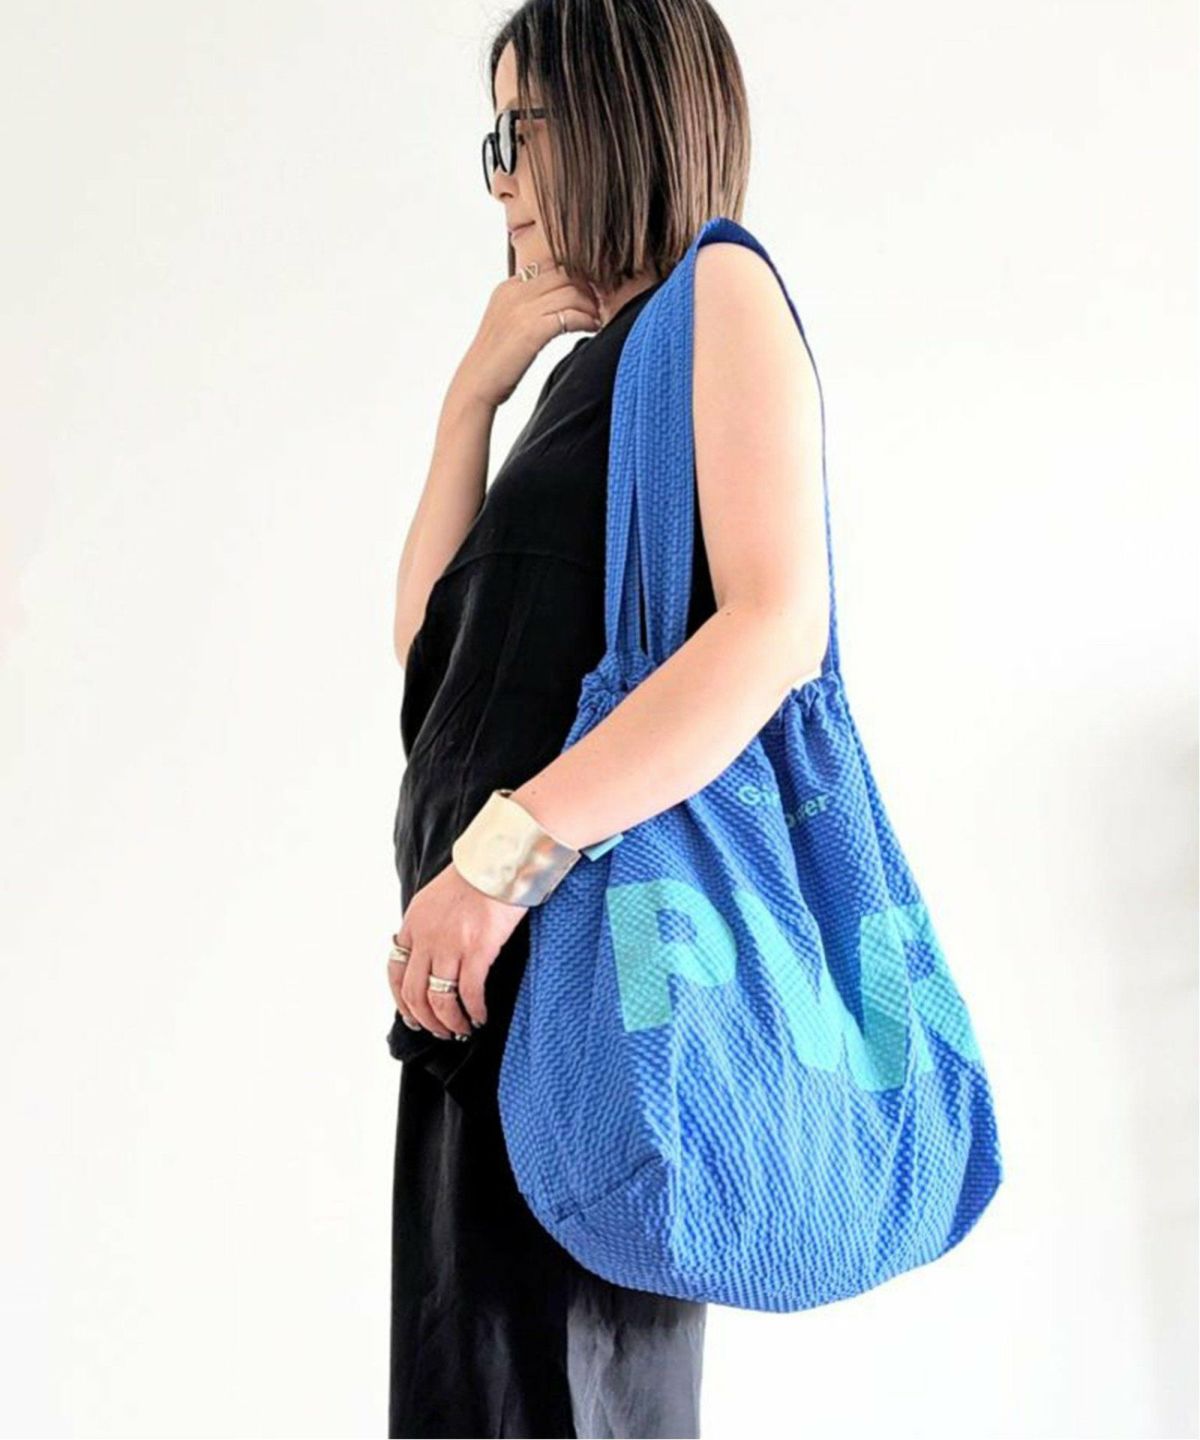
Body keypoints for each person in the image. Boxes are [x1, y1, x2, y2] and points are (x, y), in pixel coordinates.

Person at [385, 2, 827, 1435]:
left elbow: (774, 628)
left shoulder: (720, 295)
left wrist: (500, 861)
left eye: (517, 133)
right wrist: (472, 398)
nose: (502, 180)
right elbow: (431, 666)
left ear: (618, 111)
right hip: (484, 994)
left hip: (586, 978)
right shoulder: (596, 374)